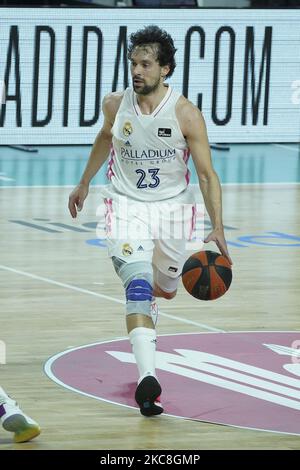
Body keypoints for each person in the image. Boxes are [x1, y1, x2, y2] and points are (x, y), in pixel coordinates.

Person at [68, 25, 232, 417]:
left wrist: (219, 224)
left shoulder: (186, 114)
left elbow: (208, 175)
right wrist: (84, 182)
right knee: (137, 285)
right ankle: (147, 379)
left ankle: (151, 306)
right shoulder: (114, 104)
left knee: (167, 290)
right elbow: (104, 139)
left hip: (175, 210)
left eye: (146, 64)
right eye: (133, 62)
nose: (137, 70)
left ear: (166, 69)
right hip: (125, 206)